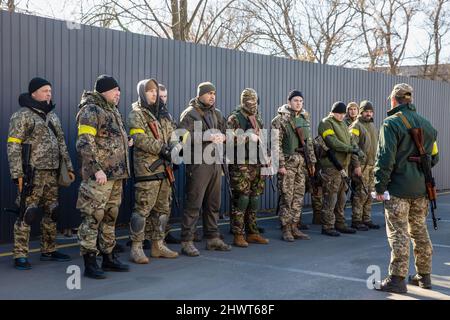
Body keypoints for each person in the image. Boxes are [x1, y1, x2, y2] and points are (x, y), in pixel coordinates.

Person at [374, 83, 439, 293]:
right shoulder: (427, 125)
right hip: (421, 189)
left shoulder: (390, 123)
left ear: (394, 100)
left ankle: (397, 279)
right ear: (409, 100)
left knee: (398, 233)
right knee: (419, 231)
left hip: (398, 190)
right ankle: (424, 275)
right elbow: (434, 158)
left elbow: (385, 159)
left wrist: (379, 186)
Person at [7, 77, 74, 270]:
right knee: (27, 213)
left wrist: (68, 167)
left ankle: (49, 250)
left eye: (50, 91)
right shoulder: (22, 115)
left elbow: (61, 142)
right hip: (31, 174)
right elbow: (13, 145)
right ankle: (20, 255)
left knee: (52, 212)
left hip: (52, 173)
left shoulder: (52, 116)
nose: (49, 94)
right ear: (33, 93)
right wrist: (17, 173)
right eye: (45, 91)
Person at [76, 75, 130, 279]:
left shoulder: (112, 110)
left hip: (115, 176)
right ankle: (90, 263)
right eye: (115, 90)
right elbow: (84, 142)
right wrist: (96, 168)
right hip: (98, 177)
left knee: (110, 216)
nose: (118, 94)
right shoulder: (91, 110)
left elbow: (110, 140)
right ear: (104, 91)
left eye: (119, 91)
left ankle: (108, 257)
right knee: (93, 217)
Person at [127, 79, 179, 264]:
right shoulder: (136, 114)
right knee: (142, 210)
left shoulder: (164, 114)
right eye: (150, 91)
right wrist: (163, 149)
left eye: (155, 91)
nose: (154, 94)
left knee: (163, 209)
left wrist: (175, 149)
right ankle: (137, 248)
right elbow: (139, 139)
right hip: (147, 170)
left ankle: (158, 245)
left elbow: (173, 135)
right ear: (142, 93)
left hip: (165, 169)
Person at [178, 82, 232, 256]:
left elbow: (227, 133)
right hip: (198, 164)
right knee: (194, 204)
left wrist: (223, 137)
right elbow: (180, 136)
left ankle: (213, 238)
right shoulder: (190, 114)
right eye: (209, 93)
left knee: (213, 204)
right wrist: (205, 136)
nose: (212, 96)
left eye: (214, 93)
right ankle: (187, 241)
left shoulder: (217, 113)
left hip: (215, 163)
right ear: (200, 95)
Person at [227, 88, 270, 247]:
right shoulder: (235, 118)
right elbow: (229, 141)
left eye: (254, 100)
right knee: (242, 199)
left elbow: (262, 139)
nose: (253, 104)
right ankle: (238, 234)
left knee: (254, 198)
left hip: (256, 163)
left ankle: (252, 232)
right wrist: (246, 136)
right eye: (249, 101)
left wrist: (267, 157)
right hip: (241, 163)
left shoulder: (257, 118)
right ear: (243, 101)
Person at [271, 90, 315, 242]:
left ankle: (295, 226)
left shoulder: (304, 119)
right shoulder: (279, 120)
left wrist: (312, 162)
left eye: (301, 101)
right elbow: (275, 145)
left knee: (298, 197)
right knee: (286, 198)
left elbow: (309, 143)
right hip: (287, 164)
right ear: (289, 102)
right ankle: (286, 229)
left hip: (301, 164)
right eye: (295, 100)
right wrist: (281, 165)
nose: (298, 103)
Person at [317, 101, 364, 237]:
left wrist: (356, 148)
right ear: (333, 112)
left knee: (342, 197)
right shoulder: (326, 123)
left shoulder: (343, 124)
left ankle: (340, 223)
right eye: (339, 113)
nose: (341, 116)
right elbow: (332, 142)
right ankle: (327, 225)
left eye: (343, 114)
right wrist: (351, 149)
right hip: (331, 166)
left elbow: (351, 140)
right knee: (330, 197)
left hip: (343, 166)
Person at [349, 100, 380, 231]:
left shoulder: (373, 126)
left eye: (370, 111)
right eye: (366, 111)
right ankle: (357, 220)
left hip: (372, 165)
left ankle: (366, 219)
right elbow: (352, 146)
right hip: (361, 165)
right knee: (360, 194)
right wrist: (356, 166)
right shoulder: (356, 126)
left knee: (370, 194)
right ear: (361, 112)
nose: (369, 114)